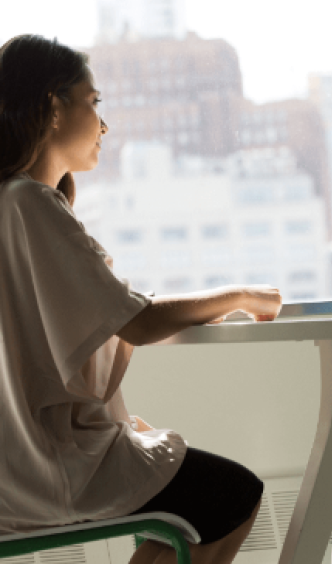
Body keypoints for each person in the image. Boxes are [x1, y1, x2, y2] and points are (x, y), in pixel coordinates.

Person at [0, 34, 283, 564]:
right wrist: (238, 295)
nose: (104, 125)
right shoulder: (28, 203)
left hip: (20, 464)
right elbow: (138, 322)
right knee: (233, 494)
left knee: (197, 511)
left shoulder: (13, 204)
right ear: (52, 108)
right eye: (93, 102)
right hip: (49, 468)